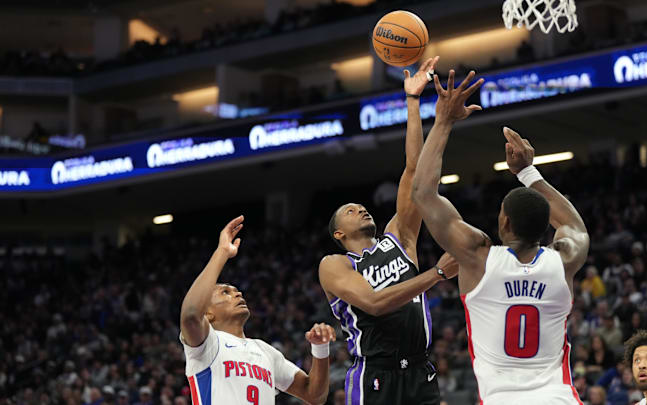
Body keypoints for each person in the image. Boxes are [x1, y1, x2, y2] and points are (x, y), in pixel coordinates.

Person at [411, 68, 589, 404]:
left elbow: (422, 193)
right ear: (545, 227)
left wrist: (444, 121)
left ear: (504, 223)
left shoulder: (477, 257)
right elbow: (575, 226)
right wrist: (527, 172)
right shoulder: (563, 260)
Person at [319, 56, 459, 405]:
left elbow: (414, 170)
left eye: (362, 207)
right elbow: (374, 304)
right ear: (339, 234)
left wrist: (413, 102)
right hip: (375, 374)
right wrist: (437, 273)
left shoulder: (399, 237)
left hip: (419, 370)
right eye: (351, 211)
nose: (361, 209)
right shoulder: (335, 265)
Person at [179, 215, 335, 405]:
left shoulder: (265, 351)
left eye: (237, 291)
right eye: (225, 292)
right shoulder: (207, 343)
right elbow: (190, 315)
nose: (237, 294)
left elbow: (314, 395)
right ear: (208, 314)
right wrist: (222, 252)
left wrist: (320, 347)